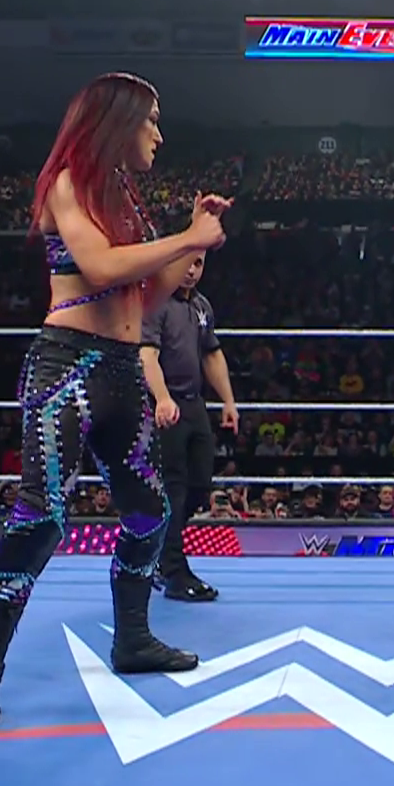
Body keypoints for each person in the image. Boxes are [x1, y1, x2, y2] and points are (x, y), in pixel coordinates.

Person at [0, 72, 230, 730]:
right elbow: (101, 268)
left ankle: (132, 638)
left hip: (123, 372)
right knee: (41, 516)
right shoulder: (67, 183)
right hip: (68, 368)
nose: (159, 134)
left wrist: (195, 237)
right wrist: (187, 239)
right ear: (119, 121)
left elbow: (147, 295)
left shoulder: (125, 197)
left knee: (150, 513)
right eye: (151, 119)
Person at [140, 252, 238, 602]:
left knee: (200, 484)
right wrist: (162, 398)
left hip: (195, 405)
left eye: (198, 263)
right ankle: (174, 571)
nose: (192, 270)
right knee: (174, 488)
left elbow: (211, 353)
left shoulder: (201, 306)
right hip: (164, 406)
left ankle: (157, 554)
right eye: (186, 263)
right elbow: (146, 354)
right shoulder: (154, 304)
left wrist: (228, 401)